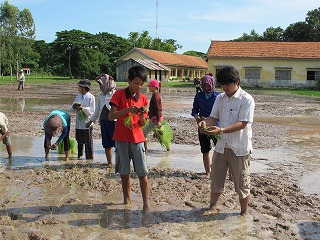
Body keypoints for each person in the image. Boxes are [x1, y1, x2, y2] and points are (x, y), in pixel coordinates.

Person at [199, 66, 255, 215]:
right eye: (222, 85)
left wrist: (221, 130)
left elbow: (243, 123)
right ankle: (212, 206)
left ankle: (243, 212)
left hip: (239, 148)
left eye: (227, 84)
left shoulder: (246, 99)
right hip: (222, 146)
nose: (224, 88)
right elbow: (213, 118)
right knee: (216, 179)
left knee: (242, 184)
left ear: (236, 82)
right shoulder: (220, 98)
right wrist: (204, 123)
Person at [108, 65, 149, 212]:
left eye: (141, 84)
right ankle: (127, 200)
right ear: (129, 81)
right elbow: (111, 116)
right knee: (124, 172)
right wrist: (127, 110)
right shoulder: (118, 95)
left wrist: (142, 115)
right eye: (136, 83)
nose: (139, 87)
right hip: (122, 139)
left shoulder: (143, 99)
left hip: (138, 139)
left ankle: (146, 204)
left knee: (142, 173)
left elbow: (143, 123)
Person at [191, 73, 219, 175]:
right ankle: (207, 171)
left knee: (219, 148)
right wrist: (197, 118)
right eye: (204, 86)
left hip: (216, 125)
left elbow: (221, 113)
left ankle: (218, 168)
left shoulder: (218, 97)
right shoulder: (199, 96)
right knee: (205, 149)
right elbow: (194, 110)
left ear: (212, 85)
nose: (206, 88)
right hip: (202, 126)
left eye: (208, 86)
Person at [86, 74, 116, 165]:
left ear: (106, 83)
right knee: (107, 144)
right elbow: (97, 109)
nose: (100, 86)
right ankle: (109, 163)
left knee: (117, 144)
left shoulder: (115, 94)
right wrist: (91, 120)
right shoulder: (100, 95)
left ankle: (120, 163)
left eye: (101, 84)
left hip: (114, 122)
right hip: (103, 121)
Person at [71, 79, 95, 160]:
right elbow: (72, 107)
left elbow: (92, 111)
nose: (78, 88)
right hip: (79, 123)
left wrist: (83, 108)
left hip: (87, 122)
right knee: (79, 141)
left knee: (88, 142)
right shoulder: (78, 96)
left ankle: (89, 158)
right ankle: (79, 156)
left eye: (79, 87)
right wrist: (75, 107)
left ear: (84, 88)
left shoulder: (91, 97)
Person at [143, 79, 165, 151]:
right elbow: (153, 109)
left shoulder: (155, 97)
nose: (149, 88)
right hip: (155, 119)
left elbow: (158, 109)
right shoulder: (155, 95)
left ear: (155, 87)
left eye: (150, 86)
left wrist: (158, 121)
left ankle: (144, 150)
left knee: (143, 134)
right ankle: (167, 148)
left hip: (155, 120)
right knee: (160, 136)